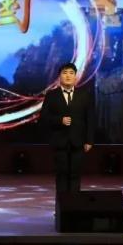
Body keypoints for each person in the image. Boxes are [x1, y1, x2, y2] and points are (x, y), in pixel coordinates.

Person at [40, 62, 95, 196]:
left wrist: (89, 140)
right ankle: (62, 204)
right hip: (59, 141)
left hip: (78, 141)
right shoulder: (51, 95)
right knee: (61, 175)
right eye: (64, 73)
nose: (68, 76)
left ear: (75, 76)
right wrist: (60, 120)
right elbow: (44, 118)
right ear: (59, 76)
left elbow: (90, 118)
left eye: (71, 73)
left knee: (75, 174)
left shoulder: (84, 95)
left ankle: (74, 204)